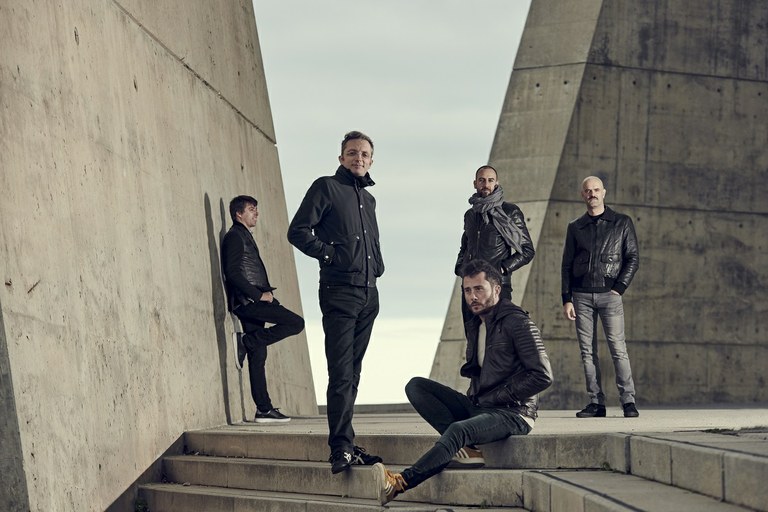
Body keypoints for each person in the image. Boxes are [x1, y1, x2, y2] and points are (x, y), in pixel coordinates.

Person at [371, 259, 553, 505]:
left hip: (514, 413)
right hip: (482, 406)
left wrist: (498, 397)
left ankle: (398, 484)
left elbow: (542, 375)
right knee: (416, 386)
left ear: (496, 289)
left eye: (479, 289)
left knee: (458, 430)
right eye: (467, 290)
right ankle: (467, 450)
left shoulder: (517, 322)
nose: (472, 296)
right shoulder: (477, 323)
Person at [287, 131, 384, 474]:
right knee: (341, 373)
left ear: (371, 160)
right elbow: (298, 231)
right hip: (339, 292)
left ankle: (348, 442)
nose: (359, 158)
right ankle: (340, 448)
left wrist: (378, 265)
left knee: (353, 373)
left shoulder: (369, 199)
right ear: (342, 158)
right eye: (352, 153)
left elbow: (369, 241)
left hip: (369, 294)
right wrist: (330, 255)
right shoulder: (326, 187)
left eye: (365, 154)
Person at [561, 176, 640, 419]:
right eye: (588, 190)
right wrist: (566, 298)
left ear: (603, 192)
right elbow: (566, 265)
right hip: (581, 296)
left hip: (610, 295)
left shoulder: (622, 222)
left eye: (596, 190)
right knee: (587, 352)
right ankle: (596, 403)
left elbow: (633, 257)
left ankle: (628, 401)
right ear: (582, 195)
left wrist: (619, 288)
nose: (592, 194)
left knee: (618, 349)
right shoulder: (575, 227)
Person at [221, 195, 305, 423]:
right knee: (296, 323)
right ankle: (246, 341)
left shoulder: (244, 235)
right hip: (250, 302)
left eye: (256, 209)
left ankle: (264, 409)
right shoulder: (235, 236)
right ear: (239, 214)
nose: (256, 213)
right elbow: (233, 272)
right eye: (251, 209)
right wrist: (259, 295)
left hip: (252, 300)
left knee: (258, 356)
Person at [455, 165, 535, 321]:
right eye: (482, 180)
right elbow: (465, 247)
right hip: (470, 288)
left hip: (497, 286)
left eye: (490, 180)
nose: (486, 184)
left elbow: (527, 250)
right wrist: (460, 268)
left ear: (496, 183)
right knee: (472, 334)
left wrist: (502, 268)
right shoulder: (470, 215)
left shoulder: (509, 212)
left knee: (497, 333)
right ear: (475, 183)